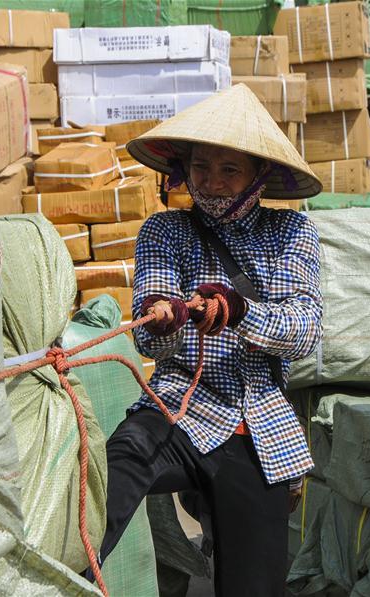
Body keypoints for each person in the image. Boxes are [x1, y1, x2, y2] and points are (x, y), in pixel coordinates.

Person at [91, 84, 323, 596]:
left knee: (253, 586)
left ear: (259, 176)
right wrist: (164, 318)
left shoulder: (293, 234)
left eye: (229, 170)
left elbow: (304, 330)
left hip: (258, 429)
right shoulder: (164, 230)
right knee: (111, 473)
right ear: (183, 170)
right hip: (178, 410)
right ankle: (65, 576)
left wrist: (238, 310)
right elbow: (151, 333)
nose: (211, 183)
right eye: (200, 168)